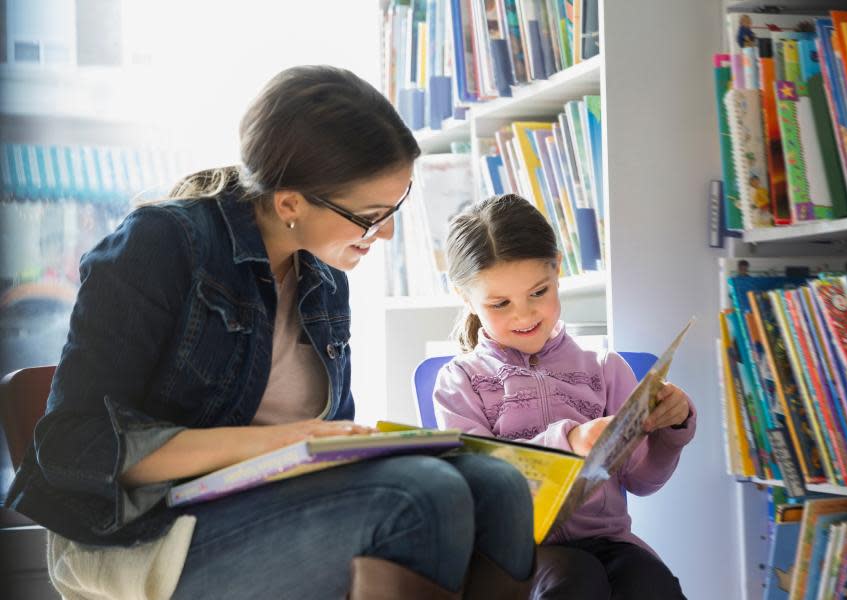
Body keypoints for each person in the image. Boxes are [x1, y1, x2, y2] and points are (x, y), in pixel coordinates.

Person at [5, 66, 536, 600]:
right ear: (289, 205)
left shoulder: (323, 276)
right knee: (422, 496)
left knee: (501, 486)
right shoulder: (163, 243)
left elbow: (325, 436)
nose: (388, 231)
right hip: (139, 531)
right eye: (372, 216)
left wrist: (352, 446)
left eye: (395, 208)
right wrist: (279, 442)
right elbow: (73, 444)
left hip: (266, 502)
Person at [433, 194, 697, 600]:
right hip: (514, 554)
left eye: (539, 292)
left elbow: (642, 481)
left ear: (557, 268)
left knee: (652, 582)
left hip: (608, 541)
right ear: (465, 298)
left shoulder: (604, 369)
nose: (524, 315)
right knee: (575, 579)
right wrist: (568, 443)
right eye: (500, 303)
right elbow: (481, 488)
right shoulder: (460, 381)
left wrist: (670, 432)